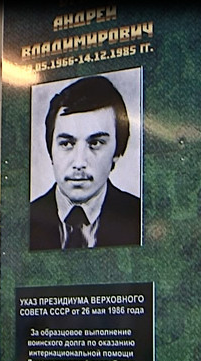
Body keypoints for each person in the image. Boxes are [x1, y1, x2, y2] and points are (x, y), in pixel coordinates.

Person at [30, 75, 141, 250]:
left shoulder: (139, 217)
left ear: (117, 151)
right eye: (67, 144)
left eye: (95, 143)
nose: (79, 162)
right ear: (51, 150)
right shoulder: (25, 219)